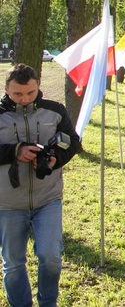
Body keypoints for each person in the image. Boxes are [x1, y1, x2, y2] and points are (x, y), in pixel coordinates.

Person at [0, 64, 81, 307]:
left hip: (48, 198)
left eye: (30, 93)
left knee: (51, 256)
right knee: (13, 263)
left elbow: (72, 142)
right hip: (7, 203)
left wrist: (56, 159)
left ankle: (48, 303)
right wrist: (15, 151)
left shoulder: (55, 111)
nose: (24, 99)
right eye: (17, 94)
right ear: (6, 89)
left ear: (38, 87)